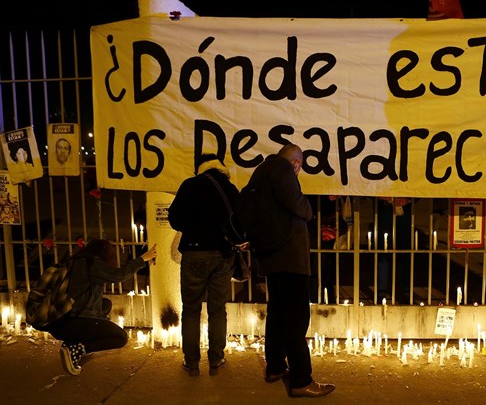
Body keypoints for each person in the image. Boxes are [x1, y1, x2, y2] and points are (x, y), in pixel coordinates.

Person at [247, 143, 335, 398]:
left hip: (274, 257)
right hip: (289, 259)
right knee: (296, 319)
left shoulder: (262, 172)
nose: (298, 172)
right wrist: (308, 209)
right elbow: (300, 206)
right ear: (296, 163)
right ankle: (300, 379)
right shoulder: (281, 171)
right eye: (300, 167)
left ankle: (275, 367)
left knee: (277, 313)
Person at [168, 155, 239, 377]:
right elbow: (240, 221)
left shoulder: (190, 185)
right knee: (217, 309)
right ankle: (216, 361)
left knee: (191, 309)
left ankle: (192, 364)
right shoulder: (230, 189)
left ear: (200, 168)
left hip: (194, 253)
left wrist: (193, 226)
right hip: (223, 254)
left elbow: (175, 220)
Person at [46, 239, 157, 376]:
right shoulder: (91, 264)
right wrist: (143, 259)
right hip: (76, 321)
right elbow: (119, 275)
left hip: (58, 321)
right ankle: (76, 348)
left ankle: (74, 341)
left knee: (105, 304)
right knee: (120, 337)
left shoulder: (73, 262)